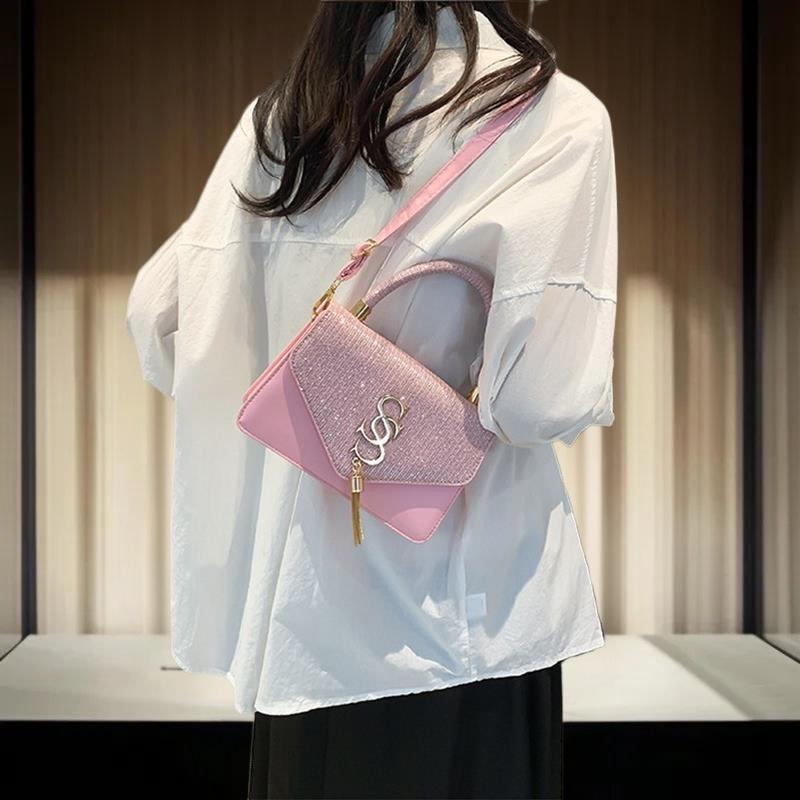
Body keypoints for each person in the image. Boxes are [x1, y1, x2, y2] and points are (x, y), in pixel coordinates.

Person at [126, 2, 617, 798]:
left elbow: (161, 318)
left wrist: (314, 388)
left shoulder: (287, 115)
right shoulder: (552, 115)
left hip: (300, 624)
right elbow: (540, 400)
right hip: (468, 626)